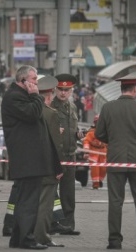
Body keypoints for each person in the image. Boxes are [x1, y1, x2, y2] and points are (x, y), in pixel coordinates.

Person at [95, 72, 136, 250]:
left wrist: (114, 141)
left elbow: (99, 134)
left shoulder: (108, 108)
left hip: (115, 159)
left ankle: (114, 241)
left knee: (115, 201)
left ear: (121, 89)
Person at [1, 65, 61, 250]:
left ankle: (18, 238)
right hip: (27, 159)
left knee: (25, 200)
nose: (36, 83)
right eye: (34, 79)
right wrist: (37, 96)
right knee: (28, 203)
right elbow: (33, 113)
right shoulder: (15, 97)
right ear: (23, 81)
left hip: (31, 159)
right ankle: (27, 239)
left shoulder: (21, 96)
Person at [50, 73, 85, 236]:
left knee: (69, 193)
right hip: (56, 155)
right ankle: (51, 222)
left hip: (70, 155)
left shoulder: (72, 107)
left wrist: (78, 134)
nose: (63, 93)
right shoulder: (50, 106)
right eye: (61, 89)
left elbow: (73, 128)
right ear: (56, 89)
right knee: (51, 192)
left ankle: (68, 225)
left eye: (67, 90)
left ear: (71, 90)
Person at [33, 76, 65, 247]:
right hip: (47, 166)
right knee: (46, 205)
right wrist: (58, 167)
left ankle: (29, 234)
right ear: (49, 96)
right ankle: (42, 237)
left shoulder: (31, 110)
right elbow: (55, 144)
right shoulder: (51, 114)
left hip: (31, 165)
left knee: (32, 203)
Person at [83, 114, 107, 189]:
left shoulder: (107, 132)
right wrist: (86, 152)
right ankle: (95, 183)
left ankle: (100, 180)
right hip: (94, 152)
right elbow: (86, 142)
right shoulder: (91, 133)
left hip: (103, 152)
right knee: (95, 168)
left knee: (103, 168)